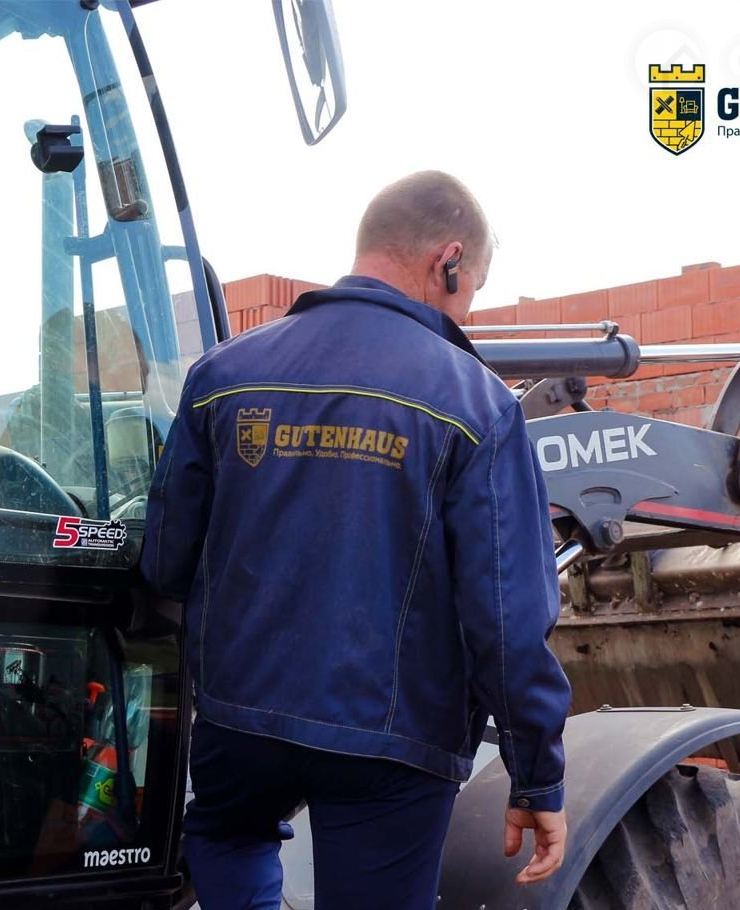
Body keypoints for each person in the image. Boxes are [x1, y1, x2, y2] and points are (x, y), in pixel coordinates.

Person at [142, 170, 572, 909]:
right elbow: (506, 621)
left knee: (226, 836)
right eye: (472, 286)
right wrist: (537, 776)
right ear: (449, 261)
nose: (466, 307)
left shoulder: (223, 375)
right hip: (392, 746)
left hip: (239, 722)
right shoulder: (478, 404)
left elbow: (165, 560)